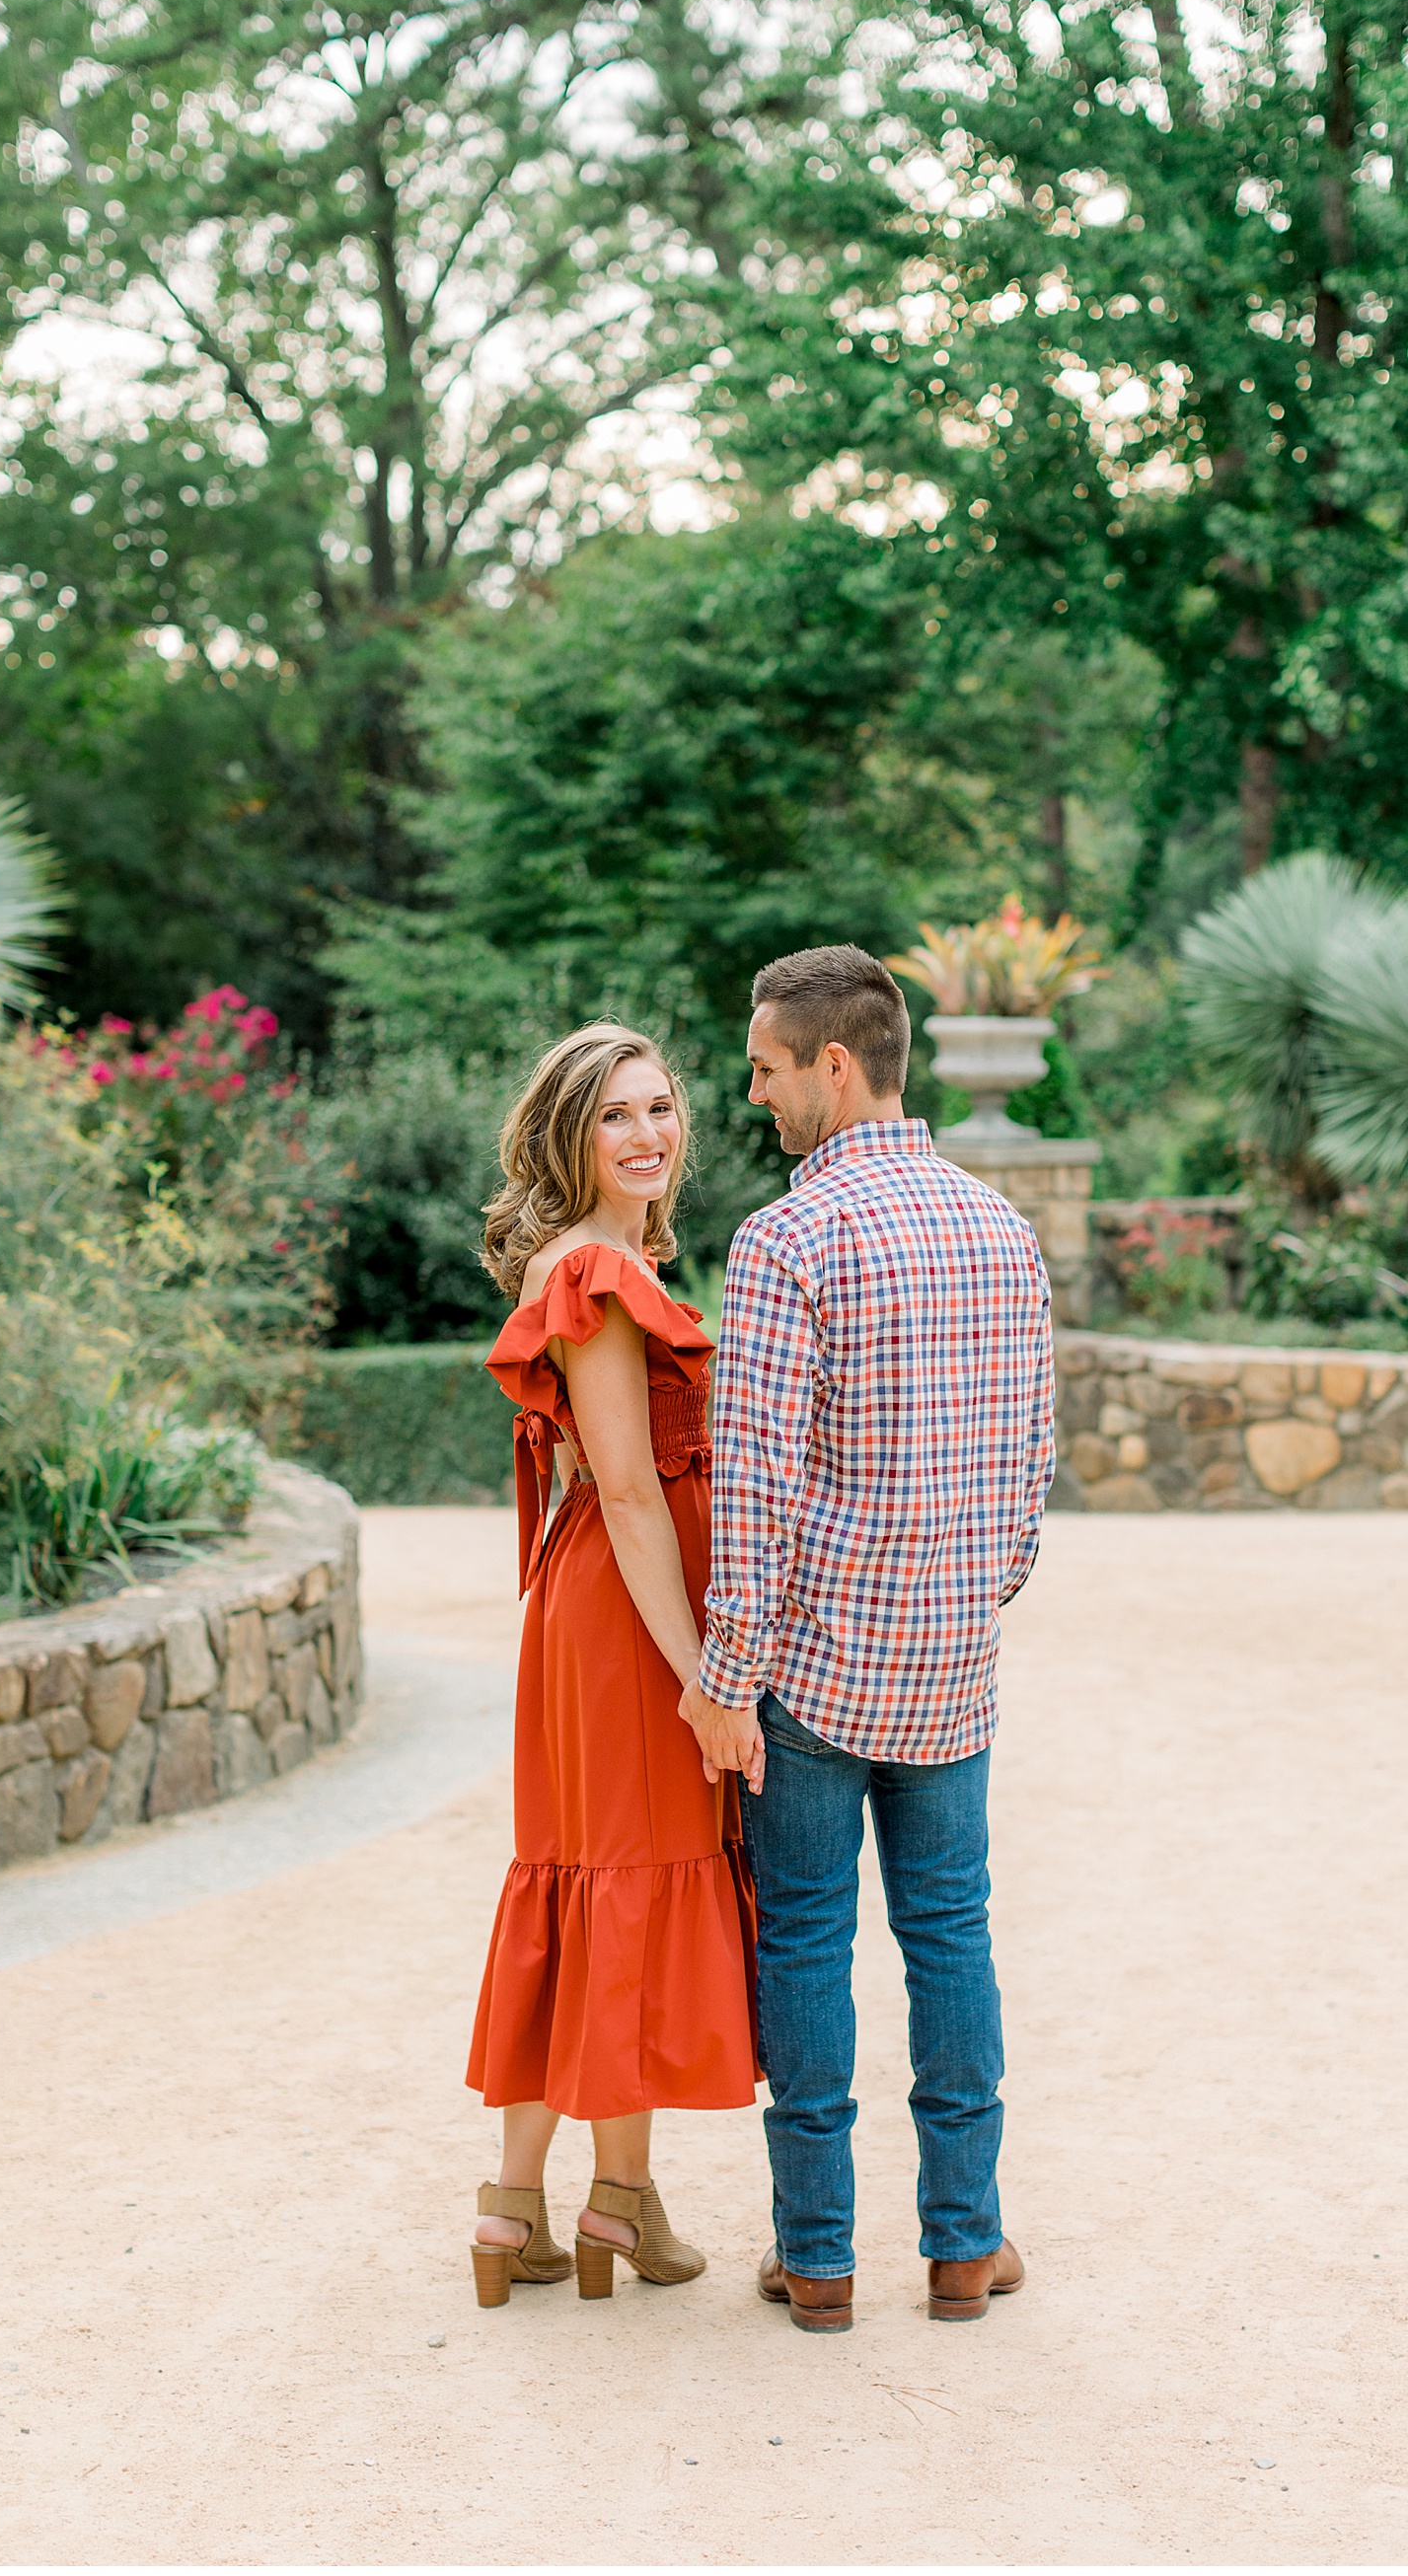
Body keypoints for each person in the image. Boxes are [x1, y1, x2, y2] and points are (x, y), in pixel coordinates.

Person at [677, 944, 1055, 2332]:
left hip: (818, 1682)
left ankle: (820, 2256)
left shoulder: (787, 1242)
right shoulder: (1001, 1229)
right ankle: (965, 2244)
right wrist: (965, 1600)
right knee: (952, 1935)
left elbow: (758, 1492)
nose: (757, 1090)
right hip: (953, 1672)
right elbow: (1030, 1477)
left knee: (810, 1946)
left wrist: (728, 1681)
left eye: (769, 1066)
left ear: (836, 1065)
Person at [466, 1023, 760, 2309]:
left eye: (662, 1107)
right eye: (615, 1116)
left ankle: (526, 2207)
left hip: (597, 1605)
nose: (649, 1133)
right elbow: (632, 1493)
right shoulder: (594, 1268)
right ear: (570, 1137)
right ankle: (608, 2203)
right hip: (633, 1614)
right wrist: (701, 1676)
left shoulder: (593, 1259)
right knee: (627, 1882)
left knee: (589, 1884)